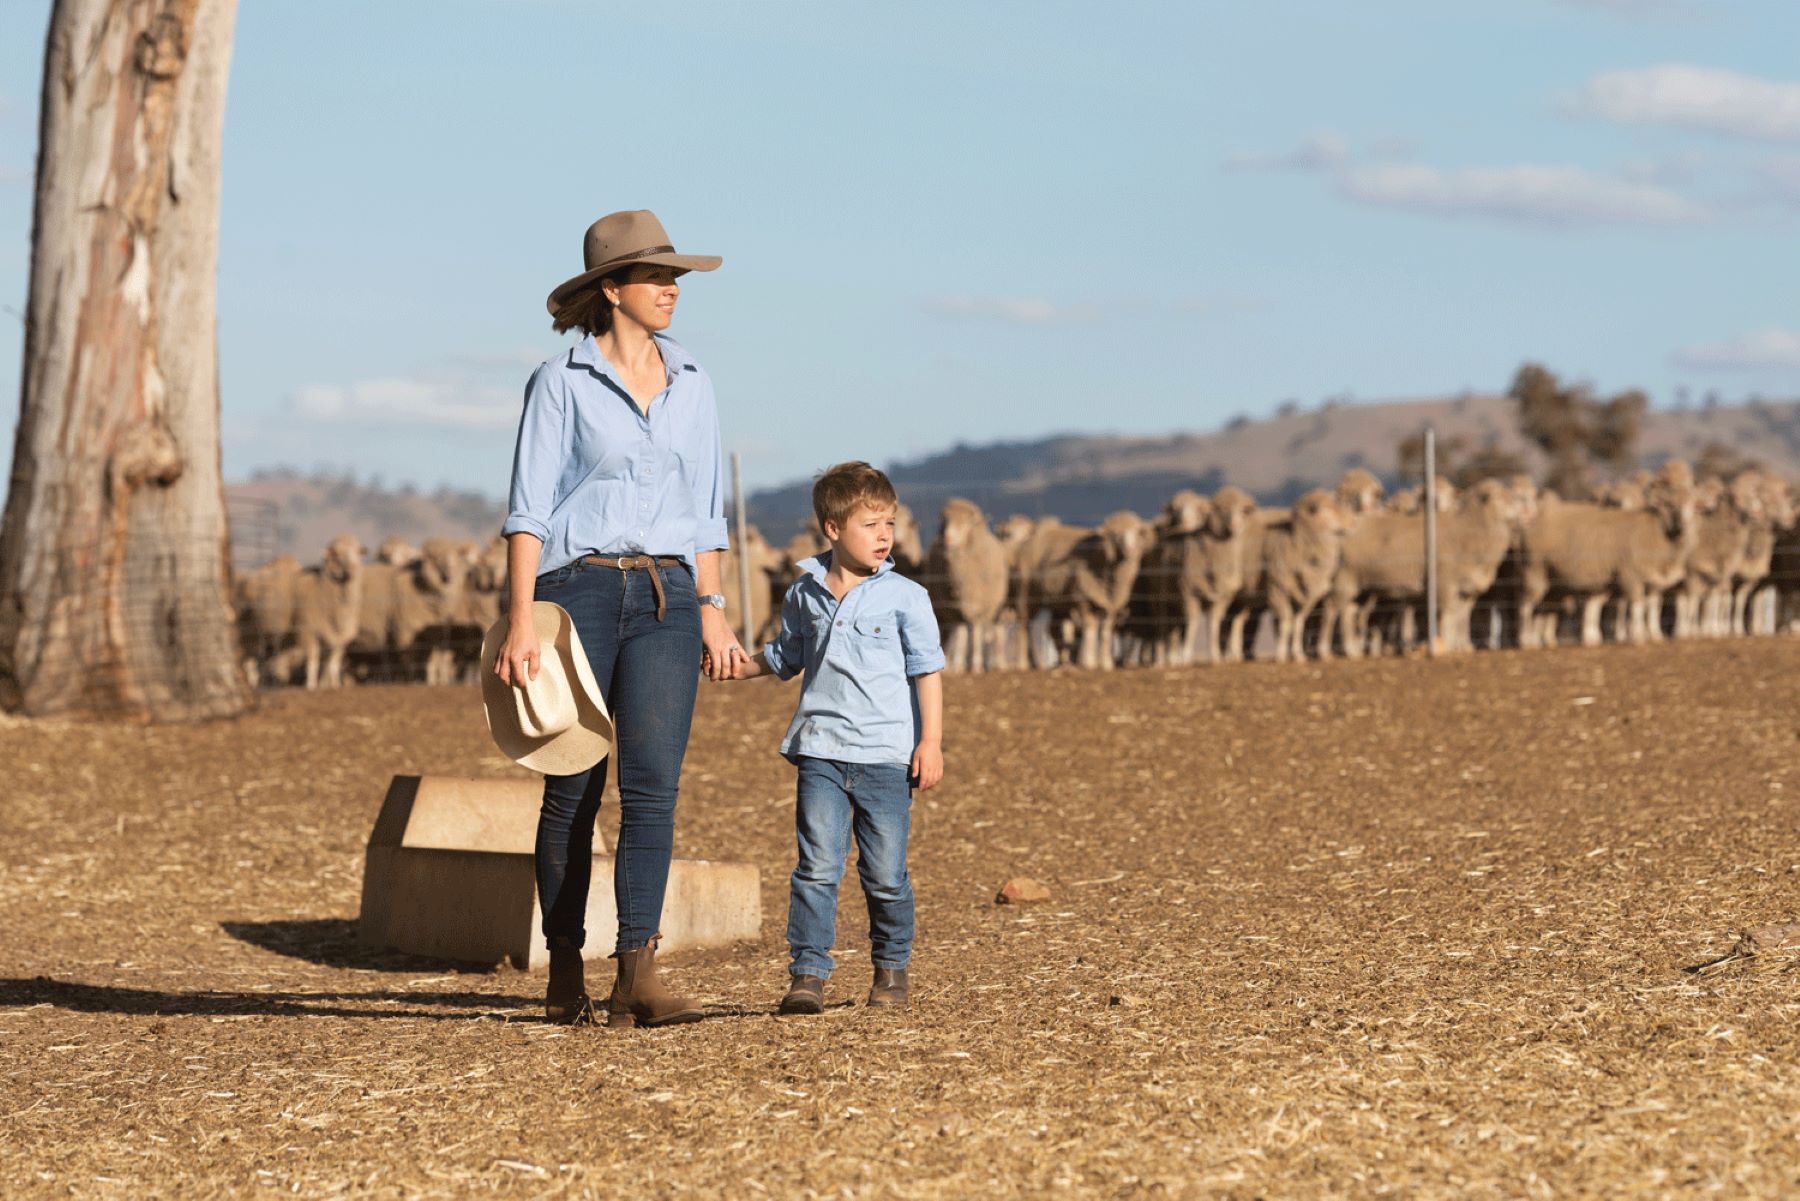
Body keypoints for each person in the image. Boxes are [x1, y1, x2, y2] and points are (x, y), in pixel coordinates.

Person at [495, 210, 746, 1027]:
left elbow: (707, 514)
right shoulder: (560, 382)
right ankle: (563, 961)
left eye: (676, 278)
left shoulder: (697, 383)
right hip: (580, 593)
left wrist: (713, 608)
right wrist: (520, 620)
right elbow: (528, 510)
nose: (672, 290)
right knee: (572, 785)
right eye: (656, 277)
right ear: (611, 290)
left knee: (654, 789)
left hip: (671, 597)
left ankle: (636, 968)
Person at [724, 461, 945, 1013]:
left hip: (886, 758)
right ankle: (808, 975)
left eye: (889, 523)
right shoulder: (804, 593)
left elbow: (927, 671)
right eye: (871, 524)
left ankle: (891, 970)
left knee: (886, 874)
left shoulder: (907, 598)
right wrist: (735, 667)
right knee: (817, 868)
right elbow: (787, 655)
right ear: (831, 528)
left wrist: (931, 742)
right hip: (820, 750)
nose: (885, 535)